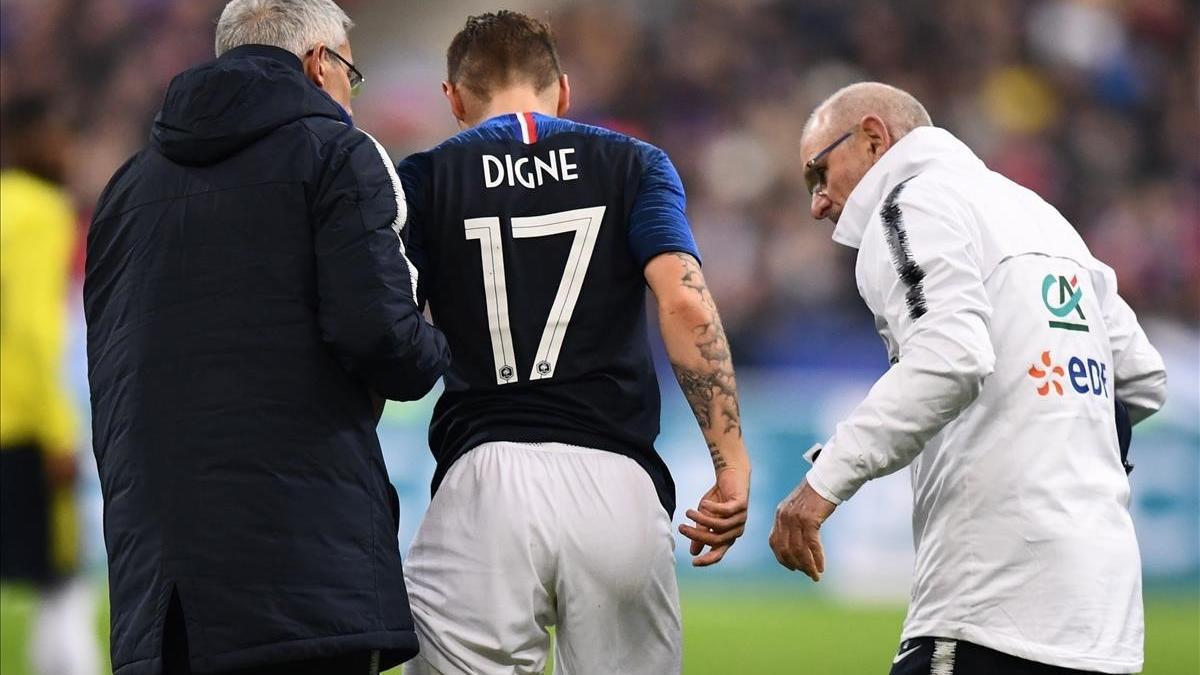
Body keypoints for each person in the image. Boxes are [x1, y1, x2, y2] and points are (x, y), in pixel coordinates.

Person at [83, 1, 450, 673]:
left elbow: (109, 366)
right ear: (318, 65)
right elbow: (385, 341)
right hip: (301, 571)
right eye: (351, 74)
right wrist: (437, 341)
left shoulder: (127, 188)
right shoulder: (337, 152)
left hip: (161, 586)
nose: (350, 94)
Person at [769, 82, 1168, 675]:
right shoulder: (1042, 216)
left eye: (817, 173)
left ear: (874, 138)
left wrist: (822, 482)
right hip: (1103, 618)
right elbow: (1139, 379)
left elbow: (949, 357)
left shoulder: (908, 202)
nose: (818, 203)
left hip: (993, 605)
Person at [395, 11, 751, 675]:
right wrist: (729, 460)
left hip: (481, 483)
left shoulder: (424, 177)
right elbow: (682, 300)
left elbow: (387, 327)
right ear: (562, 89)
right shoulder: (635, 163)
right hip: (616, 484)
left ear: (453, 98)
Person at [0, 95, 103, 675]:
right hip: (23, 423)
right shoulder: (42, 211)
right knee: (62, 584)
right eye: (63, 138)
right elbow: (33, 332)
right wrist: (59, 431)